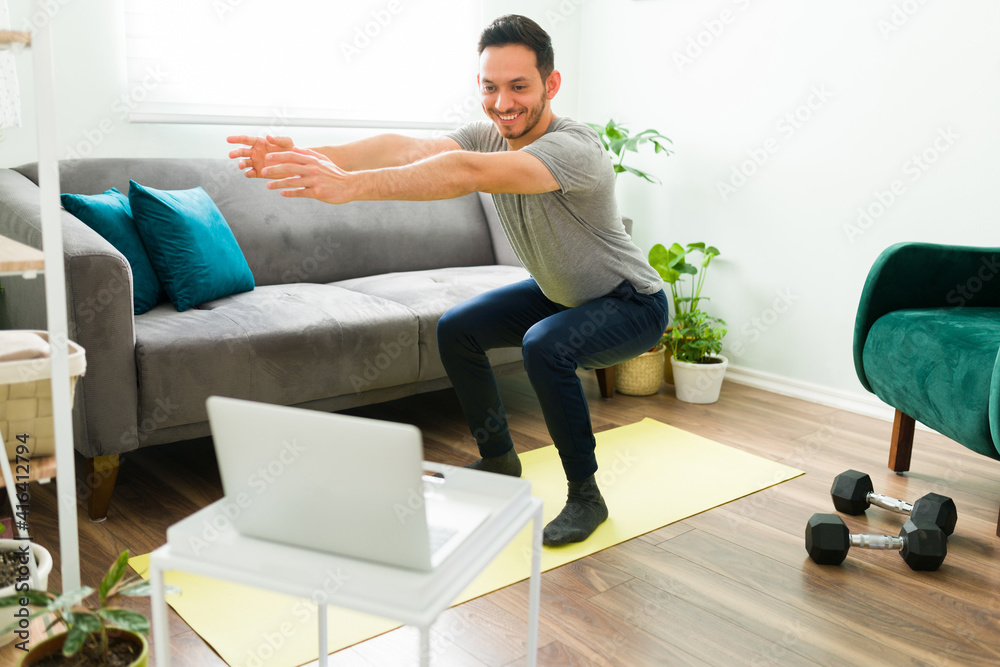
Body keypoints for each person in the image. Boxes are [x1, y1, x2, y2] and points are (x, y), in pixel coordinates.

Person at [227, 14, 669, 546]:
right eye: (490, 87)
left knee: (544, 346)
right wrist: (305, 156)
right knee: (457, 328)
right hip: (561, 296)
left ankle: (585, 496)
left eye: (519, 87)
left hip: (630, 303)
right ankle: (500, 461)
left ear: (551, 85)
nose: (502, 103)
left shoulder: (575, 149)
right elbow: (406, 150)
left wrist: (351, 187)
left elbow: (465, 171)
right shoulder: (488, 134)